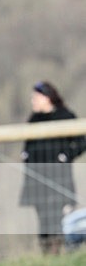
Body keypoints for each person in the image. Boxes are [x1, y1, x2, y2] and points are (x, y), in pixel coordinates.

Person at [19, 81, 85, 255]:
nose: (33, 100)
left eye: (36, 97)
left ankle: (58, 253)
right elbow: (27, 145)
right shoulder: (34, 119)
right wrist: (26, 156)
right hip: (37, 178)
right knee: (43, 220)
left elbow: (81, 141)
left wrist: (66, 155)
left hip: (58, 177)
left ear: (47, 97)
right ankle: (47, 255)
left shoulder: (66, 116)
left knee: (57, 218)